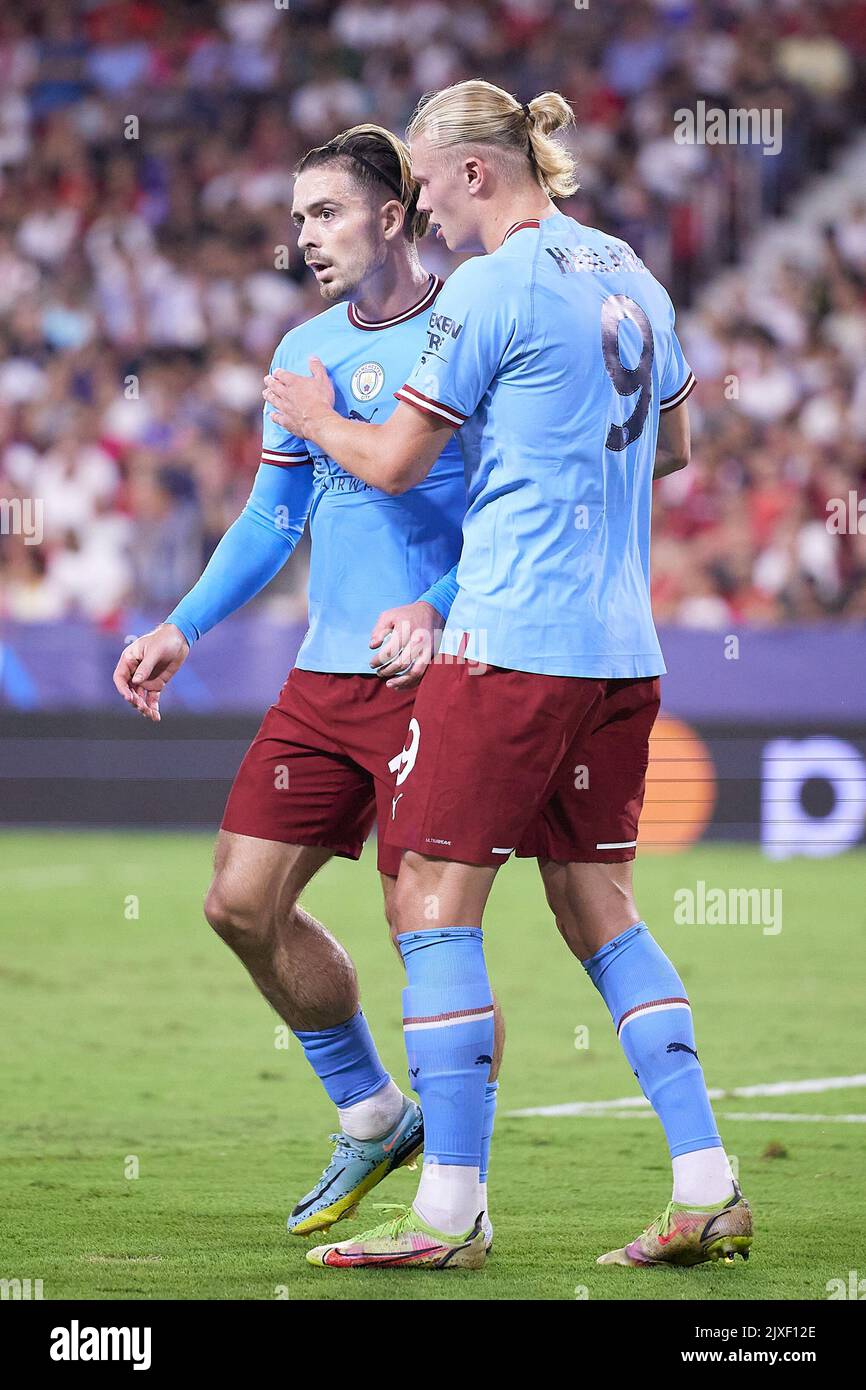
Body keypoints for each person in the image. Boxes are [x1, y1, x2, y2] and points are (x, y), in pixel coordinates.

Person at [264, 81, 753, 1273]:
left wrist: (316, 414)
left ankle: (450, 1212)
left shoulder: (491, 285)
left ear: (473, 174)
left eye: (424, 184)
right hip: (620, 650)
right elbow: (677, 445)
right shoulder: (629, 271)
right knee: (599, 904)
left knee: (429, 896)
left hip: (510, 643)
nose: (420, 207)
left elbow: (388, 458)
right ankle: (705, 1183)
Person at [112, 125, 503, 1247]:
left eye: (324, 213)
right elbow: (273, 514)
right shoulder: (306, 344)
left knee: (426, 927)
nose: (304, 238)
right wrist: (182, 625)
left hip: (439, 669)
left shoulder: (469, 326)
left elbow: (515, 504)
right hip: (323, 678)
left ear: (390, 216)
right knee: (237, 902)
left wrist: (436, 600)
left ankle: (459, 1203)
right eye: (295, 220)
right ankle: (374, 1112)